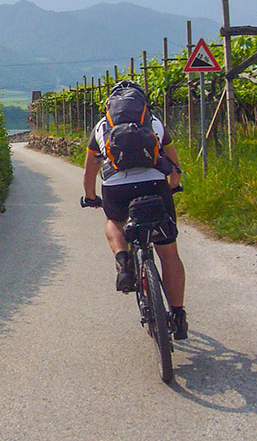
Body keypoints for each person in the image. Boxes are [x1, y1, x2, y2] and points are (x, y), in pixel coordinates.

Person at [82, 81, 188, 339]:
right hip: (154, 185)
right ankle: (178, 315)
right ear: (142, 103)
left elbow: (89, 172)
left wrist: (91, 197)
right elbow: (174, 166)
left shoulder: (101, 126)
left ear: (111, 105)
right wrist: (173, 186)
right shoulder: (154, 123)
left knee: (114, 221)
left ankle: (124, 262)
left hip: (116, 187)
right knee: (169, 253)